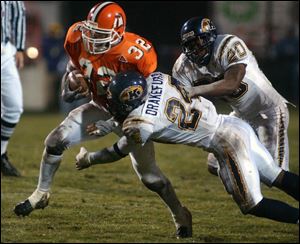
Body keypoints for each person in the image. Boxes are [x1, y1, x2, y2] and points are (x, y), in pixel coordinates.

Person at [14, 2, 192, 238]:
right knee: (55, 141)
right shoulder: (76, 37)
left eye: (99, 35)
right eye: (90, 31)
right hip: (100, 106)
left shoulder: (137, 53)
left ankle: (180, 214)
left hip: (131, 116)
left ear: (117, 34)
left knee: (151, 178)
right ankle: (41, 193)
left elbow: (148, 98)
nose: (91, 39)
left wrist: (111, 124)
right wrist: (73, 80)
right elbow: (69, 82)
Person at [75, 71, 299, 228]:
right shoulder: (156, 79)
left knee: (252, 204)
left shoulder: (140, 125)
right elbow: (150, 110)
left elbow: (118, 150)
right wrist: (113, 123)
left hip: (225, 141)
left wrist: (89, 159)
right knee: (276, 176)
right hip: (233, 125)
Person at [172, 17, 293, 176]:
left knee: (276, 173)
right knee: (215, 164)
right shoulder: (183, 67)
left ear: (211, 37)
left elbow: (232, 83)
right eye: (190, 45)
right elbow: (182, 100)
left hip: (268, 111)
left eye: (199, 42)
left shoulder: (228, 45)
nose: (196, 49)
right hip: (241, 116)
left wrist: (196, 91)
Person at [1, 1, 26, 177]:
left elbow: (18, 13)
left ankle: (0, 154)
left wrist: (19, 48)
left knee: (14, 107)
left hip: (4, 51)